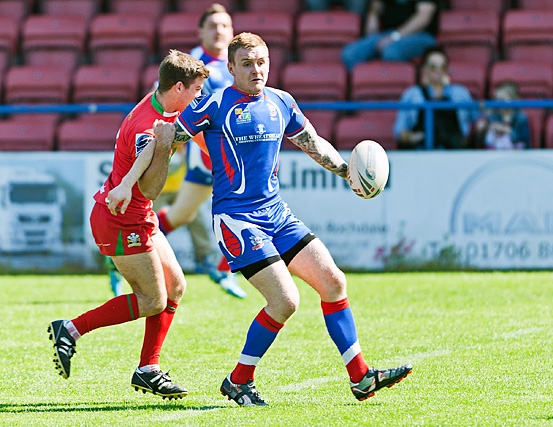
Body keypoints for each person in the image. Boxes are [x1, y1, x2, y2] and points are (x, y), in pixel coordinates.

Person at [159, 32, 412, 406]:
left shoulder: (281, 101)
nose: (256, 69)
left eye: (261, 61)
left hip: (277, 215)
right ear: (230, 68)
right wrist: (131, 182)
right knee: (285, 301)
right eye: (246, 63)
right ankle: (239, 380)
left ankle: (361, 377)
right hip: (236, 220)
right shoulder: (213, 104)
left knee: (333, 282)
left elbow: (312, 141)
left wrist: (346, 171)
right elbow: (167, 138)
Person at [48, 50, 210, 400]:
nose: (199, 96)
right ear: (178, 87)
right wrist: (165, 148)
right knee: (153, 300)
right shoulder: (146, 129)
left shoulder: (161, 102)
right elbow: (151, 187)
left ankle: (148, 369)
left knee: (176, 287)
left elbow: (186, 125)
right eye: (196, 90)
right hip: (120, 220)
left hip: (137, 214)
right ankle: (71, 329)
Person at [155, 2, 246, 298]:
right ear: (201, 32)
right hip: (208, 154)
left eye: (224, 26)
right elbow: (175, 106)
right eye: (213, 26)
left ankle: (135, 238)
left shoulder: (238, 64)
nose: (219, 31)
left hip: (234, 153)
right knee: (247, 208)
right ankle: (129, 242)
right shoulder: (192, 64)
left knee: (181, 214)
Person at [394, 45, 477, 150]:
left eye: (442, 67)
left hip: (456, 154)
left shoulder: (461, 93)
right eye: (433, 67)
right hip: (421, 153)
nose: (438, 71)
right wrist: (411, 137)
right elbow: (399, 130)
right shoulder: (412, 94)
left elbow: (477, 120)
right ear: (425, 69)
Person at [341, 0, 438, 71]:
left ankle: (399, 93)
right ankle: (368, 87)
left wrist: (395, 36)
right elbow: (376, 6)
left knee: (390, 52)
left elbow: (424, 17)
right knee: (350, 54)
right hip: (389, 33)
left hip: (421, 35)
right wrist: (373, 16)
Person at [469, 81, 531, 150]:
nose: (499, 103)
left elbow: (524, 139)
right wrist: (482, 130)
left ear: (514, 99)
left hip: (517, 155)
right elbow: (481, 141)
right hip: (494, 155)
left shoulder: (520, 117)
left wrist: (506, 130)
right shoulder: (493, 116)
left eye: (502, 100)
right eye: (497, 99)